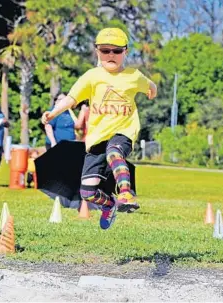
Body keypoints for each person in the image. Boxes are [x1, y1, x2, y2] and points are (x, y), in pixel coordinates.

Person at [41, 28, 157, 230]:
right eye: (105, 50)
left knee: (114, 152)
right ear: (97, 51)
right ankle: (110, 205)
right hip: (96, 138)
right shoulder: (91, 76)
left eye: (116, 51)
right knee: (87, 191)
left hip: (124, 131)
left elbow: (150, 85)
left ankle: (125, 193)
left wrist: (151, 91)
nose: (111, 55)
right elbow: (71, 98)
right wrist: (53, 113)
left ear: (125, 52)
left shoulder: (133, 76)